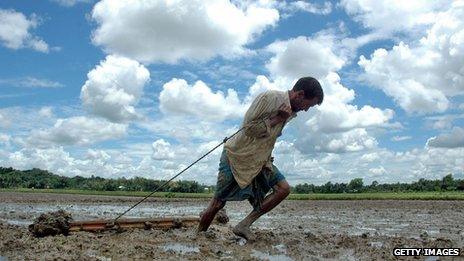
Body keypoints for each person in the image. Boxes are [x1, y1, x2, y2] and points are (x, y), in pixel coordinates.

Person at [198, 77, 324, 240]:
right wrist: (278, 118)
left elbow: (267, 137)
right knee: (218, 203)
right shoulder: (269, 98)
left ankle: (243, 225)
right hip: (238, 156)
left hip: (260, 159)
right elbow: (249, 128)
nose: (307, 110)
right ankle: (198, 237)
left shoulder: (290, 112)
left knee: (283, 189)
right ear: (300, 94)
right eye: (309, 105)